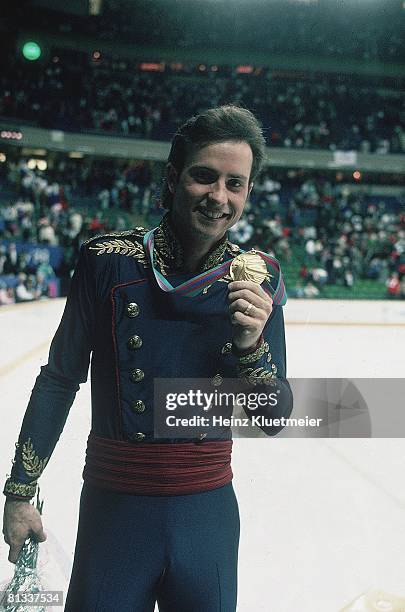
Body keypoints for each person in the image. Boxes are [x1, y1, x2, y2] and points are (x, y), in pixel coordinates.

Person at [2, 105, 292, 611]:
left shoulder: (259, 277)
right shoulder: (106, 261)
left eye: (235, 184)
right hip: (115, 510)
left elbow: (273, 419)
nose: (218, 197)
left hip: (207, 516)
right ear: (174, 176)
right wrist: (21, 491)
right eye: (204, 177)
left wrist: (251, 347)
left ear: (248, 192)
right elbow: (60, 380)